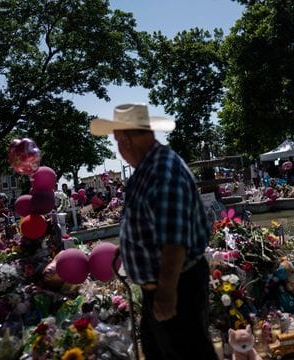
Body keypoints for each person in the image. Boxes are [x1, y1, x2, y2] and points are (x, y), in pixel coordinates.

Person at [90, 103, 217, 360]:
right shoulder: (148, 168)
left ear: (125, 139)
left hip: (175, 286)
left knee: (187, 353)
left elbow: (174, 241)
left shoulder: (162, 171)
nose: (119, 149)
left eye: (118, 141)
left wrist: (167, 293)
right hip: (162, 287)